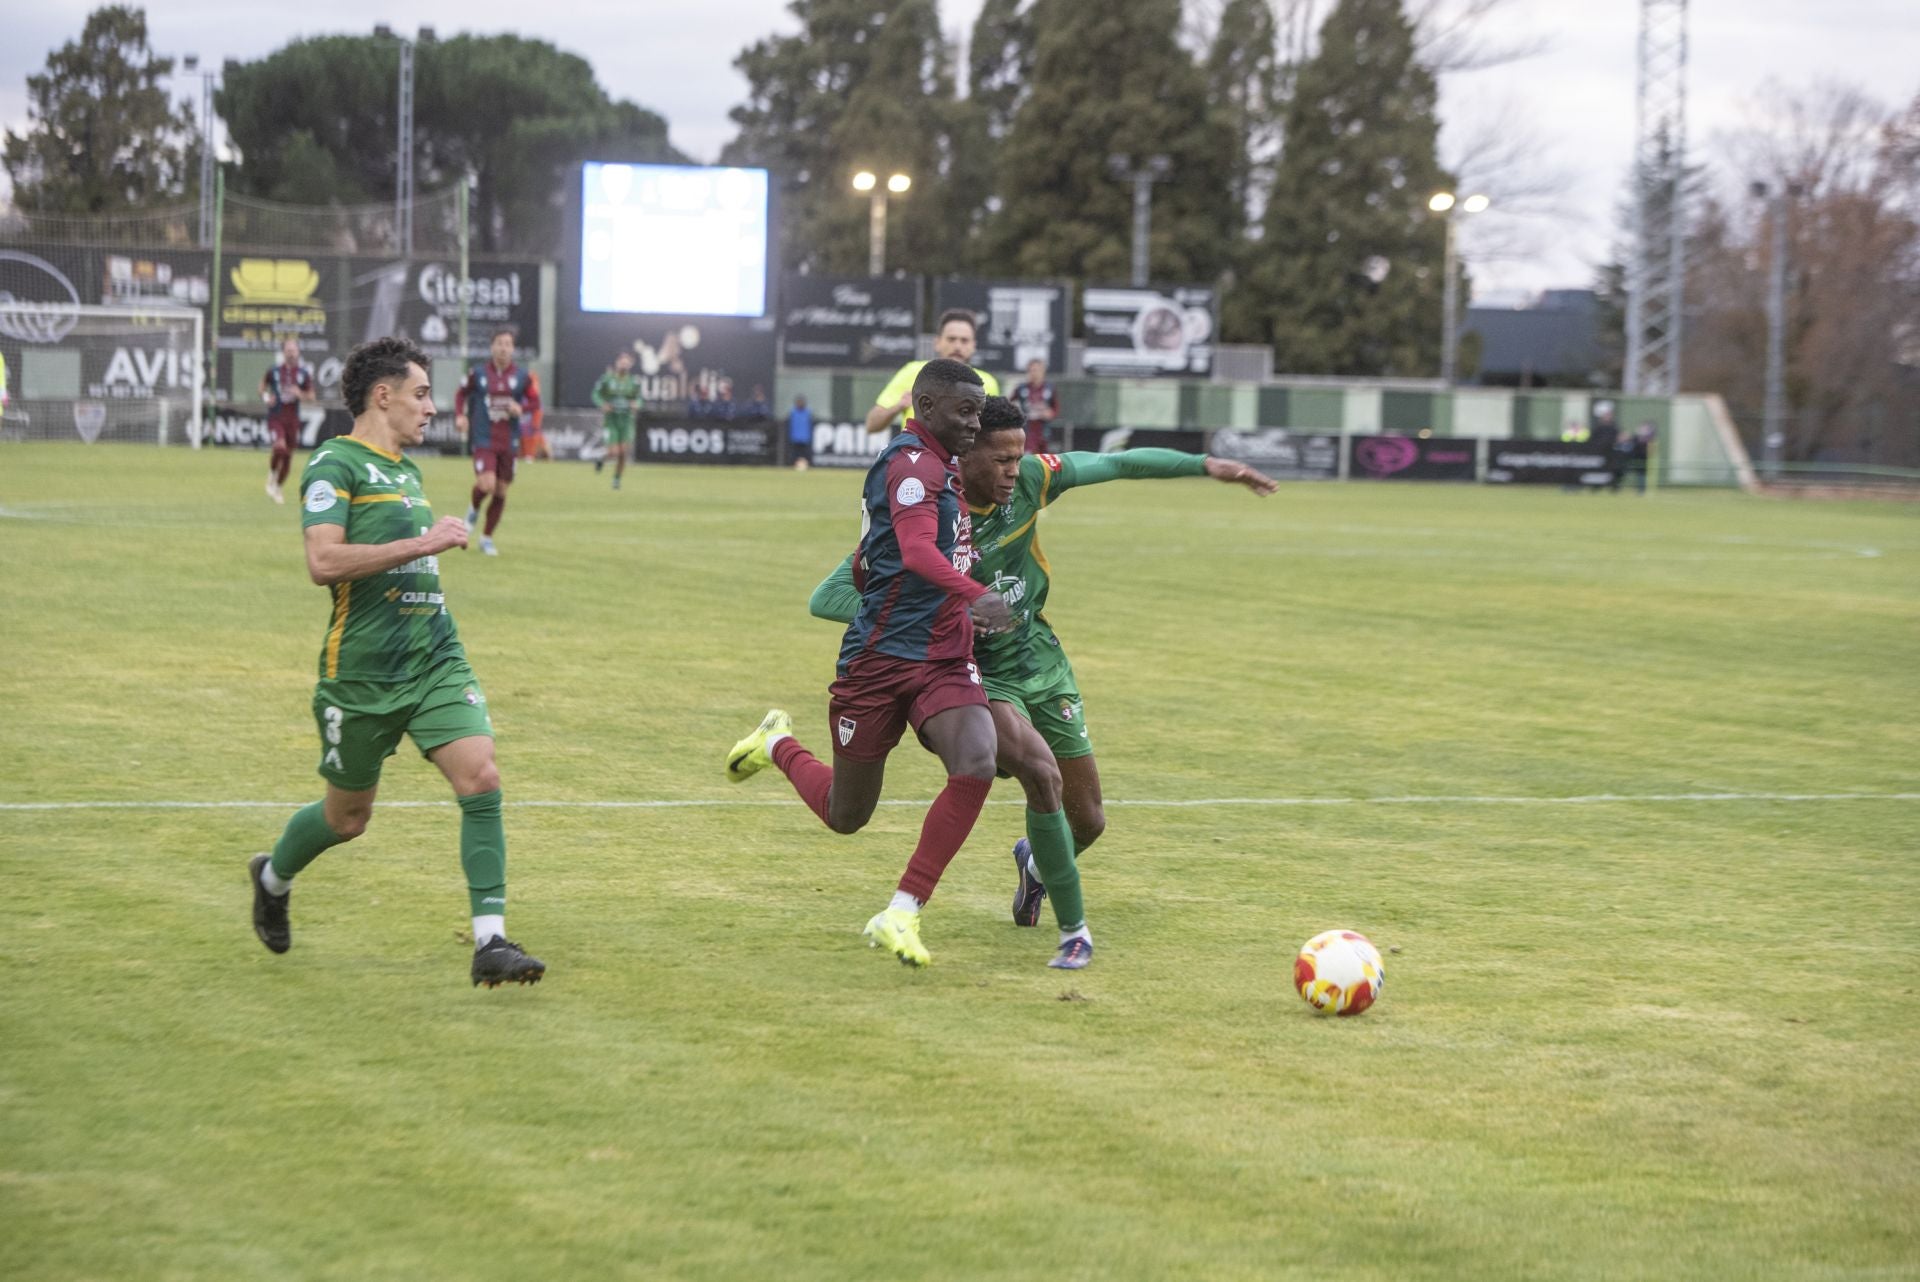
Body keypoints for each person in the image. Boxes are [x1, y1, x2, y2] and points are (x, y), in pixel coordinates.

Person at [810, 399, 1277, 969]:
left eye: (1019, 457)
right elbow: (830, 596)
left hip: (1040, 658)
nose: (1014, 469)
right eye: (1002, 459)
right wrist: (943, 614)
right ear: (965, 455)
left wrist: (1206, 465)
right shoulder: (932, 509)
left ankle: (1034, 868)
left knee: (1090, 820)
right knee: (1038, 771)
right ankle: (1073, 933)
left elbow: (1119, 465)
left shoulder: (1031, 481)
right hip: (974, 673)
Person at [248, 335, 545, 988]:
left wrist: (427, 545)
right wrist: (425, 540)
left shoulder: (407, 471)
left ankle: (490, 942)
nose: (432, 408)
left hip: (435, 658)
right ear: (382, 396)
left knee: (482, 776)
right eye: (420, 393)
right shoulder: (334, 465)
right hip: (362, 672)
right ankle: (272, 877)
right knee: (346, 819)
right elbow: (322, 563)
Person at [726, 359, 1013, 969]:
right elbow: (912, 551)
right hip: (879, 661)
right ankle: (778, 742)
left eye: (979, 412)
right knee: (846, 815)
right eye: (965, 412)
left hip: (942, 657)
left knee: (977, 760)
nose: (974, 423)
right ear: (927, 407)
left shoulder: (950, 466)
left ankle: (902, 911)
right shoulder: (911, 463)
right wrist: (973, 593)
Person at [456, 329, 540, 555]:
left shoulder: (522, 376)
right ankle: (473, 509)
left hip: (509, 440)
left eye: (508, 344)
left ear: (513, 349)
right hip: (484, 437)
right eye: (499, 343)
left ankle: (486, 538)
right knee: (486, 484)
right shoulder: (479, 373)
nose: (503, 348)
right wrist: (460, 415)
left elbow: (535, 402)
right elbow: (461, 394)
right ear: (492, 347)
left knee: (501, 491)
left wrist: (520, 408)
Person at [865, 309, 1001, 435]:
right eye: (951, 339)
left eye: (964, 340)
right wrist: (898, 406)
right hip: (918, 458)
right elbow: (872, 425)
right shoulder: (913, 372)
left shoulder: (987, 382)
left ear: (973, 346)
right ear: (937, 342)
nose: (957, 346)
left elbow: (994, 433)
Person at [260, 336, 316, 504]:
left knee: (288, 456)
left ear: (298, 352)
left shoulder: (303, 373)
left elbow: (312, 396)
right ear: (284, 352)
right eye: (288, 350)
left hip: (292, 418)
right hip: (276, 415)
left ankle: (277, 486)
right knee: (279, 446)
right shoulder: (274, 371)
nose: (291, 353)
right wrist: (265, 397)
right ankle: (271, 473)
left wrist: (301, 394)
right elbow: (262, 387)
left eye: (294, 350)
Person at [591, 350, 642, 490]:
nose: (624, 365)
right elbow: (595, 394)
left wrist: (636, 404)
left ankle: (616, 480)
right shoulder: (607, 379)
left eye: (627, 363)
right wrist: (602, 404)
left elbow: (639, 398)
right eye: (622, 362)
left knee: (623, 452)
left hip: (626, 421)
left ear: (630, 365)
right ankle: (601, 460)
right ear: (617, 363)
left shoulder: (633, 382)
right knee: (614, 452)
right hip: (611, 420)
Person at [1010, 358, 1060, 454]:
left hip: (1044, 430)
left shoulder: (1049, 388)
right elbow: (1009, 403)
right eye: (1031, 370)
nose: (1034, 373)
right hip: (1027, 430)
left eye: (1037, 370)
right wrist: (1017, 414)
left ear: (1043, 371)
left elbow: (1056, 408)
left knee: (1044, 458)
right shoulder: (1021, 388)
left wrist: (1050, 414)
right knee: (1028, 456)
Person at [786, 393, 814, 469]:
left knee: (805, 454)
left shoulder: (808, 412)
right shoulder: (793, 412)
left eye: (801, 401)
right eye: (799, 401)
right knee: (795, 454)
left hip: (805, 438)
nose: (800, 403)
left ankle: (805, 466)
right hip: (795, 438)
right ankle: (794, 466)